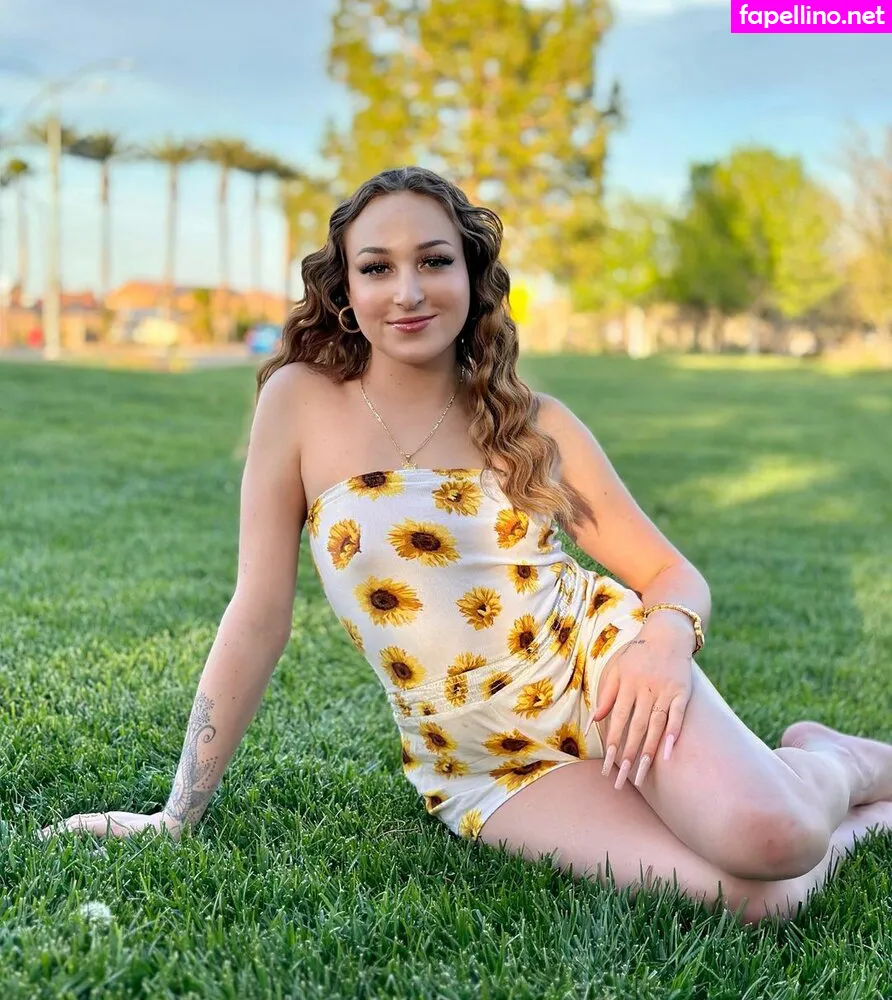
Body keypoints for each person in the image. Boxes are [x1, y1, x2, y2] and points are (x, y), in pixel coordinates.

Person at [39, 165, 892, 925]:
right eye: (378, 268)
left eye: (434, 261)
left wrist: (664, 644)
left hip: (603, 676)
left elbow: (671, 573)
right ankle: (864, 812)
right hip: (480, 756)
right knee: (758, 899)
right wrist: (176, 813)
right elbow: (258, 614)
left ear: (472, 277)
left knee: (775, 839)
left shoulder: (533, 422)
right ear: (346, 291)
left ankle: (836, 764)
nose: (408, 291)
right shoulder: (299, 402)